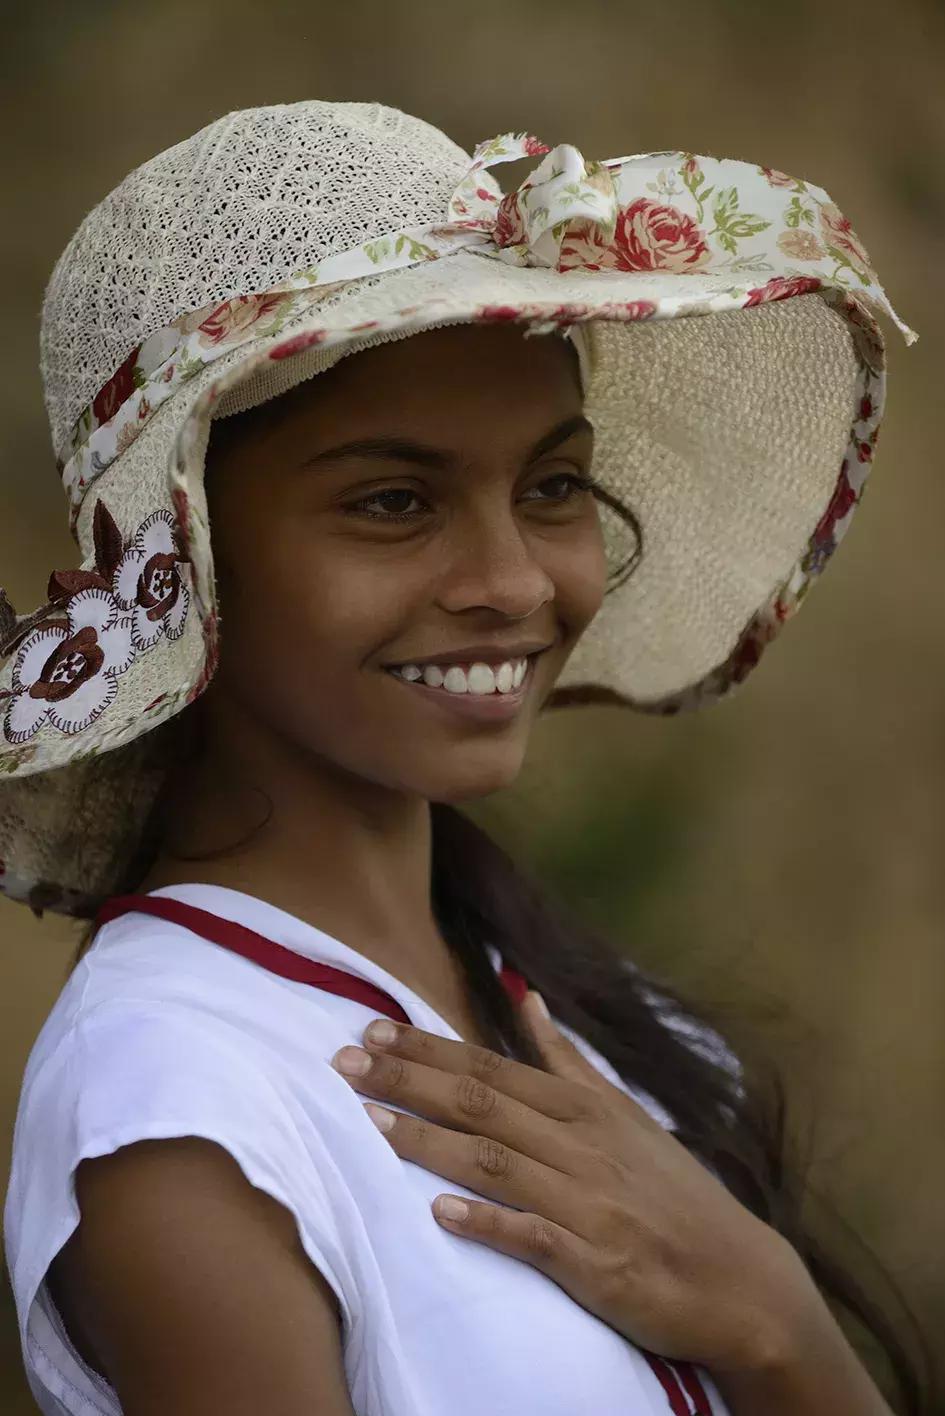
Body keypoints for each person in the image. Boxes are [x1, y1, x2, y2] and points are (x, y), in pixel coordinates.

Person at [0, 100, 927, 1416]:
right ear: (183, 566)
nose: (509, 581)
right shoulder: (181, 1109)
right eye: (393, 501)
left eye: (550, 487)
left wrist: (773, 1319)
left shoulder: (612, 1031)